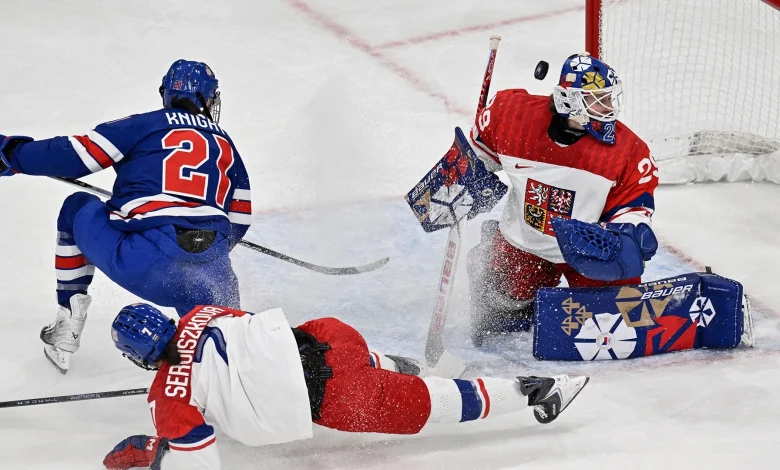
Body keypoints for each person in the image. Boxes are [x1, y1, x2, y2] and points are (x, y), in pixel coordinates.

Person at [102, 303, 589, 469]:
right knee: (333, 354)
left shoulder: (166, 395)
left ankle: (533, 391)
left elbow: (199, 458)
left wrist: (157, 452)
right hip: (330, 335)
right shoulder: (199, 314)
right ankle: (392, 364)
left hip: (339, 395)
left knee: (429, 408)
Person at [0, 60, 252, 374]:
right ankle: (208, 366)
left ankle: (68, 321)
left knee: (76, 206)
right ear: (208, 99)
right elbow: (239, 218)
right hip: (214, 277)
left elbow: (76, 156)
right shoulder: (226, 143)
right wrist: (199, 244)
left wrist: (11, 154)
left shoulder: (145, 124)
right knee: (226, 353)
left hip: (147, 263)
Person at [465, 53, 659, 345]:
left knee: (609, 322)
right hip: (525, 242)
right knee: (502, 314)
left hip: (588, 247)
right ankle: (490, 250)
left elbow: (632, 204)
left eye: (609, 98)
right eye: (598, 100)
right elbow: (480, 155)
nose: (609, 107)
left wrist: (630, 231)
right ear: (570, 102)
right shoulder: (512, 116)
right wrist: (464, 174)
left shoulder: (629, 151)